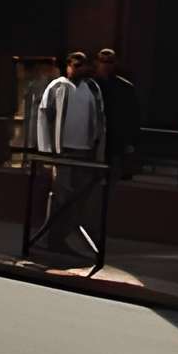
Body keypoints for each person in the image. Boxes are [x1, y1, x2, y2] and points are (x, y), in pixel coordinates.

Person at [34, 51, 106, 260]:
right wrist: (47, 152)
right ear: (68, 66)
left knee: (79, 197)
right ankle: (52, 239)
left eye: (82, 65)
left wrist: (98, 149)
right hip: (62, 151)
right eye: (75, 65)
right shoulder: (57, 86)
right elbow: (43, 116)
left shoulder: (92, 88)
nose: (79, 69)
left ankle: (63, 236)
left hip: (84, 151)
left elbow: (101, 120)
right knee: (60, 196)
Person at [92, 47, 140, 180]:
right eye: (103, 61)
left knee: (113, 179)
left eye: (110, 62)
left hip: (116, 141)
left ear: (115, 63)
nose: (106, 65)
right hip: (93, 139)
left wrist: (130, 143)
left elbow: (133, 117)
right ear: (97, 63)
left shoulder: (125, 87)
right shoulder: (89, 85)